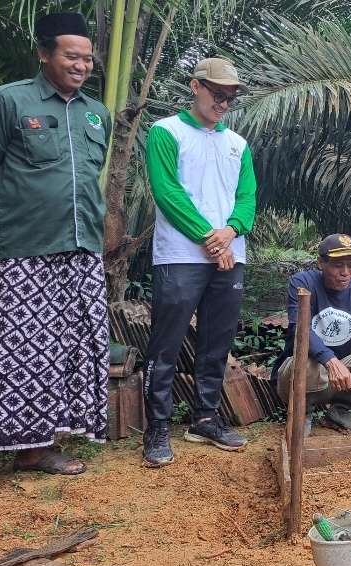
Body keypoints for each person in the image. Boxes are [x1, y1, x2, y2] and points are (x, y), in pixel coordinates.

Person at [0, 12, 111, 502]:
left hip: (82, 250)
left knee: (61, 351)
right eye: (72, 55)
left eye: (88, 57)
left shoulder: (96, 114)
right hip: (25, 250)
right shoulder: (6, 102)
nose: (82, 65)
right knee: (7, 353)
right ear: (44, 53)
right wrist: (3, 237)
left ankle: (34, 448)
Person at [140, 58, 257, 467]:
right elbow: (167, 192)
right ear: (196, 86)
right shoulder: (165, 132)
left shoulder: (238, 144)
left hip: (229, 255)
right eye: (217, 94)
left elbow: (247, 199)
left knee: (217, 341)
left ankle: (205, 417)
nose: (224, 102)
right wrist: (212, 239)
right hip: (179, 256)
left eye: (230, 97)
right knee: (167, 342)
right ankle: (156, 426)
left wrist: (230, 233)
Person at [274, 234, 351, 434]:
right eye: (338, 265)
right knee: (303, 360)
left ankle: (340, 411)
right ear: (321, 263)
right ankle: (302, 413)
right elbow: (299, 330)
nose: (346, 272)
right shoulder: (303, 283)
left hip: (341, 373)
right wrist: (330, 360)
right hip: (304, 373)